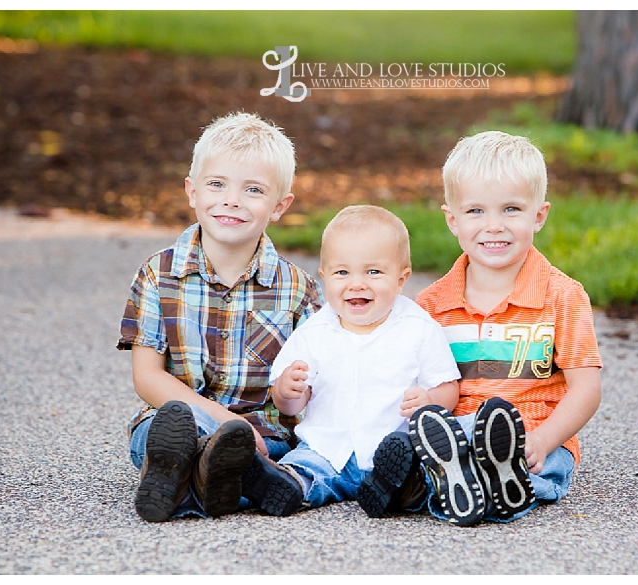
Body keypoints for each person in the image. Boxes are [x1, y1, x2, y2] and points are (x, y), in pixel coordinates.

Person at [117, 112, 322, 522]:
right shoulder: (159, 274)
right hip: (179, 419)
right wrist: (223, 421)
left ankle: (188, 486)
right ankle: (211, 476)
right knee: (155, 435)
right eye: (217, 185)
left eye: (253, 190)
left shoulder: (297, 288)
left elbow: (313, 380)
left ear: (280, 205)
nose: (231, 200)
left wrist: (292, 395)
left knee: (273, 455)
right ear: (192, 191)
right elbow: (148, 377)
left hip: (265, 434)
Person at [408, 131, 603, 526]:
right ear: (452, 220)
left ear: (539, 215)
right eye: (476, 211)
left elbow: (587, 388)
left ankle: (505, 488)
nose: (493, 226)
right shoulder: (430, 304)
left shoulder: (561, 296)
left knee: (546, 469)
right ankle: (454, 482)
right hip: (457, 433)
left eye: (511, 209)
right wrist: (419, 399)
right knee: (419, 449)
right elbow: (419, 379)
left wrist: (545, 440)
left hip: (535, 433)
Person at [241, 205, 462, 516]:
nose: (357, 283)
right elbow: (288, 405)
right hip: (327, 450)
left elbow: (448, 387)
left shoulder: (419, 327)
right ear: (324, 277)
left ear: (402, 279)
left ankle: (391, 489)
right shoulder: (314, 331)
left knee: (417, 470)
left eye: (373, 272)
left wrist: (430, 400)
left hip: (392, 453)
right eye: (342, 272)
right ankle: (288, 486)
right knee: (305, 466)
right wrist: (288, 391)